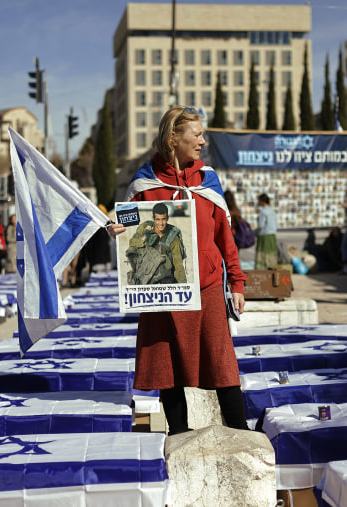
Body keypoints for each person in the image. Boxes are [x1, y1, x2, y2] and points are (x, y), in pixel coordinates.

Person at [108, 105, 248, 435]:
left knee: (222, 362)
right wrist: (115, 229)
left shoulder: (207, 179)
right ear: (174, 138)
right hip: (163, 290)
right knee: (167, 366)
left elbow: (224, 236)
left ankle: (242, 433)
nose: (202, 141)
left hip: (208, 287)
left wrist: (237, 283)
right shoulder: (144, 181)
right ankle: (180, 435)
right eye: (196, 135)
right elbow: (130, 226)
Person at [126, 202, 187, 285]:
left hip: (165, 280)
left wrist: (183, 287)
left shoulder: (173, 238)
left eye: (163, 219)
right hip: (144, 277)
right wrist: (146, 237)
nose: (161, 223)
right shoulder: (145, 227)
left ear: (168, 218)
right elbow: (132, 243)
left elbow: (178, 266)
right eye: (158, 219)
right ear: (153, 219)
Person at [254, 193, 278, 269]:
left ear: (262, 201)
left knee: (263, 257)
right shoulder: (273, 212)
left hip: (264, 237)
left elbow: (261, 226)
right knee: (271, 256)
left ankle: (263, 271)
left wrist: (254, 232)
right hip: (272, 236)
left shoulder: (263, 212)